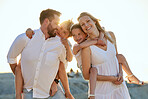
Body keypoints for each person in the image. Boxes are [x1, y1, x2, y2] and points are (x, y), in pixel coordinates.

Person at [7, 8, 73, 99]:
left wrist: (56, 82)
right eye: (57, 24)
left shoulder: (60, 43)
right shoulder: (25, 38)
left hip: (52, 91)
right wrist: (22, 80)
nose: (58, 28)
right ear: (46, 21)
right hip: (29, 92)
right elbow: (11, 58)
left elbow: (62, 67)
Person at [76, 12, 132, 99]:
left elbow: (117, 58)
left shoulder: (110, 35)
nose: (86, 25)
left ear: (94, 21)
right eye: (83, 24)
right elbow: (86, 76)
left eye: (88, 21)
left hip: (119, 88)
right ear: (82, 29)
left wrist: (120, 74)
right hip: (101, 92)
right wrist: (112, 78)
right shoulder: (86, 48)